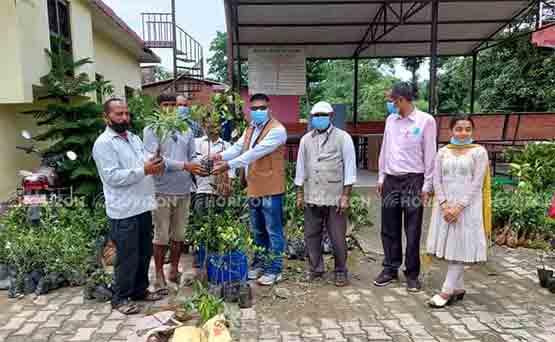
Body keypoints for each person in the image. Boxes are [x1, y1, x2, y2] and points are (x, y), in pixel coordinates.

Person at [93, 98, 165, 315]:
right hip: (123, 211)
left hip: (142, 206)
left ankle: (139, 290)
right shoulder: (104, 143)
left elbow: (143, 160)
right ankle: (120, 298)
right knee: (127, 256)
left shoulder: (133, 138)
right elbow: (112, 177)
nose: (124, 117)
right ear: (106, 117)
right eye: (118, 114)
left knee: (144, 252)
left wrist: (154, 161)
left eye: (126, 113)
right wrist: (145, 170)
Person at [211, 93, 287, 286]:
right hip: (253, 187)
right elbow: (237, 149)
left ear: (269, 109)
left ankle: (274, 269)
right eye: (255, 109)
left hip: (271, 188)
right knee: (257, 230)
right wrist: (219, 156)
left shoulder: (277, 130)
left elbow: (254, 153)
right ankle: (260, 263)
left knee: (273, 230)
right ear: (249, 110)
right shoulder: (250, 128)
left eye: (262, 108)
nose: (259, 111)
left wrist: (228, 165)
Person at [375, 82, 437, 292]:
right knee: (388, 228)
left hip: (413, 181)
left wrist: (427, 184)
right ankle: (390, 268)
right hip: (391, 180)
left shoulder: (426, 121)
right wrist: (381, 177)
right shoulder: (390, 120)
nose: (389, 104)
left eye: (391, 100)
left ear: (401, 100)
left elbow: (430, 154)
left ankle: (412, 273)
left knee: (412, 229)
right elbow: (385, 149)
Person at [143, 94, 207, 293]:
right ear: (159, 107)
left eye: (175, 105)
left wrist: (198, 162)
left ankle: (174, 271)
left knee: (179, 234)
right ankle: (159, 274)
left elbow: (192, 155)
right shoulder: (151, 129)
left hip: (184, 189)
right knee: (161, 235)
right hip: (162, 190)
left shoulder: (185, 128)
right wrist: (186, 166)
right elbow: (157, 161)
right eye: (167, 105)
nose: (172, 108)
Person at [426, 114, 490, 308]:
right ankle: (459, 287)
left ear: (472, 131)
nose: (463, 133)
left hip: (467, 209)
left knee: (459, 249)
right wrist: (444, 204)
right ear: (451, 131)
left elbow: (477, 183)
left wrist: (459, 207)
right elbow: (436, 178)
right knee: (452, 246)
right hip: (444, 207)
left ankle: (446, 291)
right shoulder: (443, 152)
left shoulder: (479, 152)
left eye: (467, 129)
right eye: (459, 129)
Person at [294, 101, 357, 287]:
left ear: (330, 116)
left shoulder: (343, 138)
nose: (318, 118)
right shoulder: (306, 140)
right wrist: (299, 194)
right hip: (312, 195)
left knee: (337, 236)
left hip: (334, 196)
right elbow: (300, 168)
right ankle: (316, 268)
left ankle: (340, 271)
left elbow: (350, 169)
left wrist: (345, 196)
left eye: (322, 115)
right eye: (315, 116)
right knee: (311, 235)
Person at [190, 115, 235, 270]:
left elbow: (231, 171)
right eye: (208, 124)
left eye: (215, 124)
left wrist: (228, 187)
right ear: (204, 125)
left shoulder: (227, 146)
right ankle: (200, 256)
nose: (212, 127)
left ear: (221, 126)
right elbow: (191, 164)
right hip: (200, 189)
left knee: (219, 224)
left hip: (219, 192)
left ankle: (216, 255)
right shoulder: (196, 143)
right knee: (200, 223)